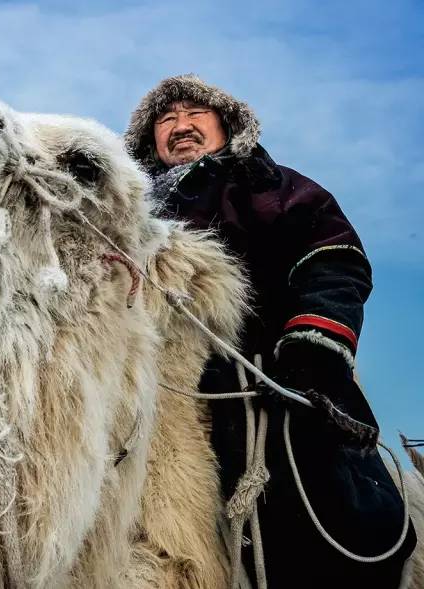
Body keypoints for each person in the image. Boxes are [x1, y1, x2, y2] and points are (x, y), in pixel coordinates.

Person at [125, 75, 416, 587]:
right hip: (148, 382)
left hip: (264, 376)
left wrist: (314, 343)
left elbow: (334, 261)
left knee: (320, 508)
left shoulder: (275, 188)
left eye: (195, 113)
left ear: (227, 122)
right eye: (166, 120)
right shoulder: (128, 210)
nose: (181, 126)